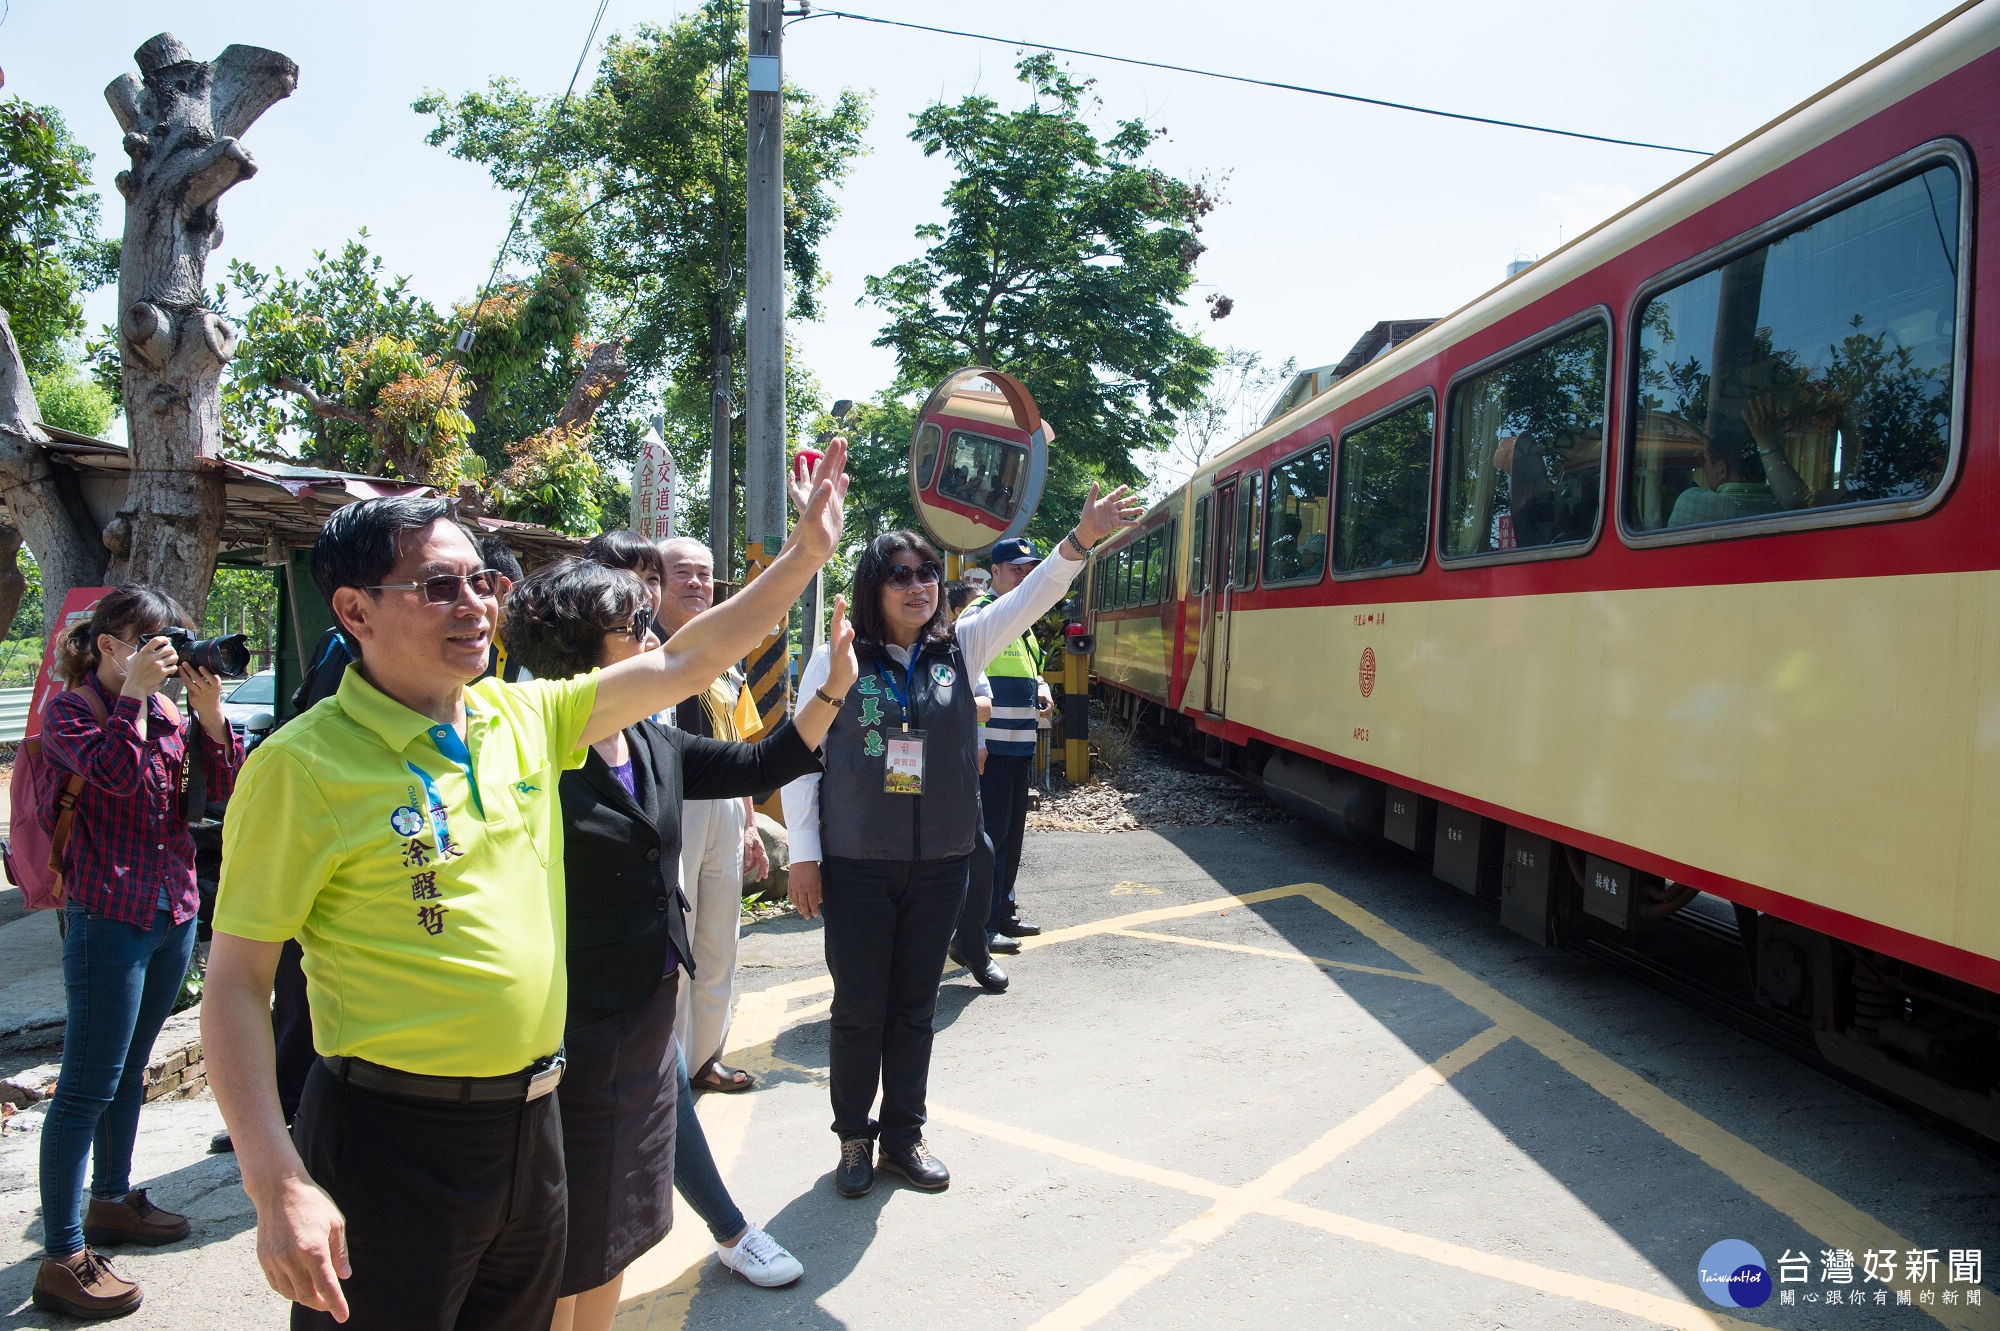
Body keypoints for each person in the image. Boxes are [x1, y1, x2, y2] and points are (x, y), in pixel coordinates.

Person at [202, 442, 846, 1329]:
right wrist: (275, 1181)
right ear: (353, 609)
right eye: (437, 587)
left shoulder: (523, 718)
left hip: (536, 1121)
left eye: (482, 583)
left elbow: (686, 663)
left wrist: (803, 559)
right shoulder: (301, 767)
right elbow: (235, 984)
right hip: (393, 1137)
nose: (474, 606)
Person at [502, 559, 849, 1330]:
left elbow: (765, 761)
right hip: (571, 1031)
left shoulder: (648, 740)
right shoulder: (530, 749)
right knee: (565, 1245)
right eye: (635, 628)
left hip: (650, 1017)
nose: (653, 639)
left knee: (618, 1233)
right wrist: (805, 551)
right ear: (580, 650)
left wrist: (831, 690)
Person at [782, 484, 1140, 1200]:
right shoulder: (838, 658)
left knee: (916, 1005)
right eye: (901, 574)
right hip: (857, 863)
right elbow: (801, 755)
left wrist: (1079, 539)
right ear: (873, 587)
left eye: (926, 575)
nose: (919, 587)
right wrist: (803, 852)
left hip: (939, 863)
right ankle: (854, 1136)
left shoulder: (961, 648)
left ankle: (903, 1134)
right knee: (859, 1008)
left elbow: (1029, 598)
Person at [33, 587, 245, 1321]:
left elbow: (226, 794)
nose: (165, 655)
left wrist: (212, 719)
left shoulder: (167, 712)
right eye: (151, 641)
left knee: (132, 1069)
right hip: (108, 913)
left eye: (173, 640)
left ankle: (113, 1200)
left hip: (172, 906)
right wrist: (136, 701)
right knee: (86, 1084)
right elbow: (115, 778)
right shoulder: (71, 710)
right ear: (110, 646)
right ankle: (62, 1255)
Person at [636, 536, 768, 1094]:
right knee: (679, 936)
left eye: (704, 574)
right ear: (655, 582)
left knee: (720, 934)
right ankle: (667, 1062)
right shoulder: (642, 650)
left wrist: (751, 821)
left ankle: (705, 1054)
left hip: (721, 804)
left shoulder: (721, 656)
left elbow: (736, 742)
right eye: (681, 572)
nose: (695, 583)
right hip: (672, 801)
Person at [973, 537, 1058, 952]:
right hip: (992, 749)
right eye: (1015, 570)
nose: (1023, 577)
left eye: (1029, 571)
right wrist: (976, 740)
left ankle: (1003, 911)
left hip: (1019, 745)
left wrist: (1041, 686)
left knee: (1011, 834)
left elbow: (1033, 669)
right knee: (989, 836)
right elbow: (968, 679)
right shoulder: (981, 615)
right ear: (995, 571)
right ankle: (983, 926)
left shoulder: (1021, 623)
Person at [941, 582, 1004, 993]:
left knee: (980, 852)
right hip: (898, 778)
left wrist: (940, 703)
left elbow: (985, 703)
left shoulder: (958, 648)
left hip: (956, 768)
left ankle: (973, 946)